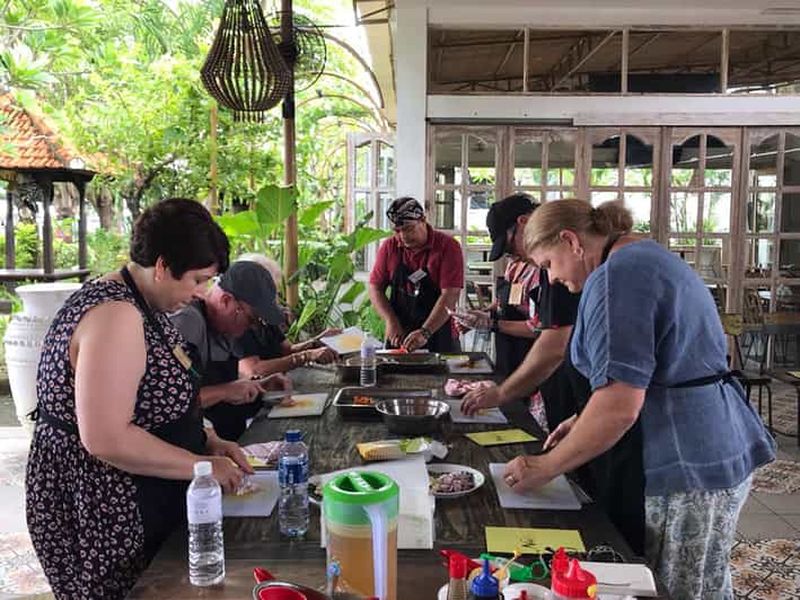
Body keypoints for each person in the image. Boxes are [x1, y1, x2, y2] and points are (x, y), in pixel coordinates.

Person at [504, 199, 776, 600]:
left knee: (677, 590)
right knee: (707, 584)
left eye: (548, 264)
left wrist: (547, 466)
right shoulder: (642, 257)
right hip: (713, 442)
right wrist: (583, 420)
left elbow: (619, 406)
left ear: (571, 241)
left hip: (686, 458)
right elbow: (654, 368)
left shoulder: (617, 277)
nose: (553, 278)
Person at [26, 199, 254, 600]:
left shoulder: (143, 305)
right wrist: (202, 467)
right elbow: (106, 438)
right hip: (101, 505)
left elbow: (158, 399)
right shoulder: (116, 314)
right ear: (163, 266)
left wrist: (208, 439)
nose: (201, 293)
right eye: (197, 280)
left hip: (134, 494)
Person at [170, 260, 291, 441]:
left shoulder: (224, 327)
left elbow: (224, 386)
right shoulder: (188, 322)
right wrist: (224, 391)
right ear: (226, 301)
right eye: (252, 319)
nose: (252, 327)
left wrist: (259, 385)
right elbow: (171, 400)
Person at [368, 196, 463, 352]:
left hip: (439, 332)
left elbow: (450, 295)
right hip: (400, 334)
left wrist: (425, 332)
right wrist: (390, 320)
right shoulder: (390, 247)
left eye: (409, 229)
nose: (403, 236)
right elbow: (375, 288)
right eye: (397, 231)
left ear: (423, 220)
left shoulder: (448, 246)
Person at [233, 254, 338, 378]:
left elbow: (287, 350)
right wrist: (307, 356)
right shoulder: (235, 320)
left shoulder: (264, 316)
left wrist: (317, 341)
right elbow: (254, 370)